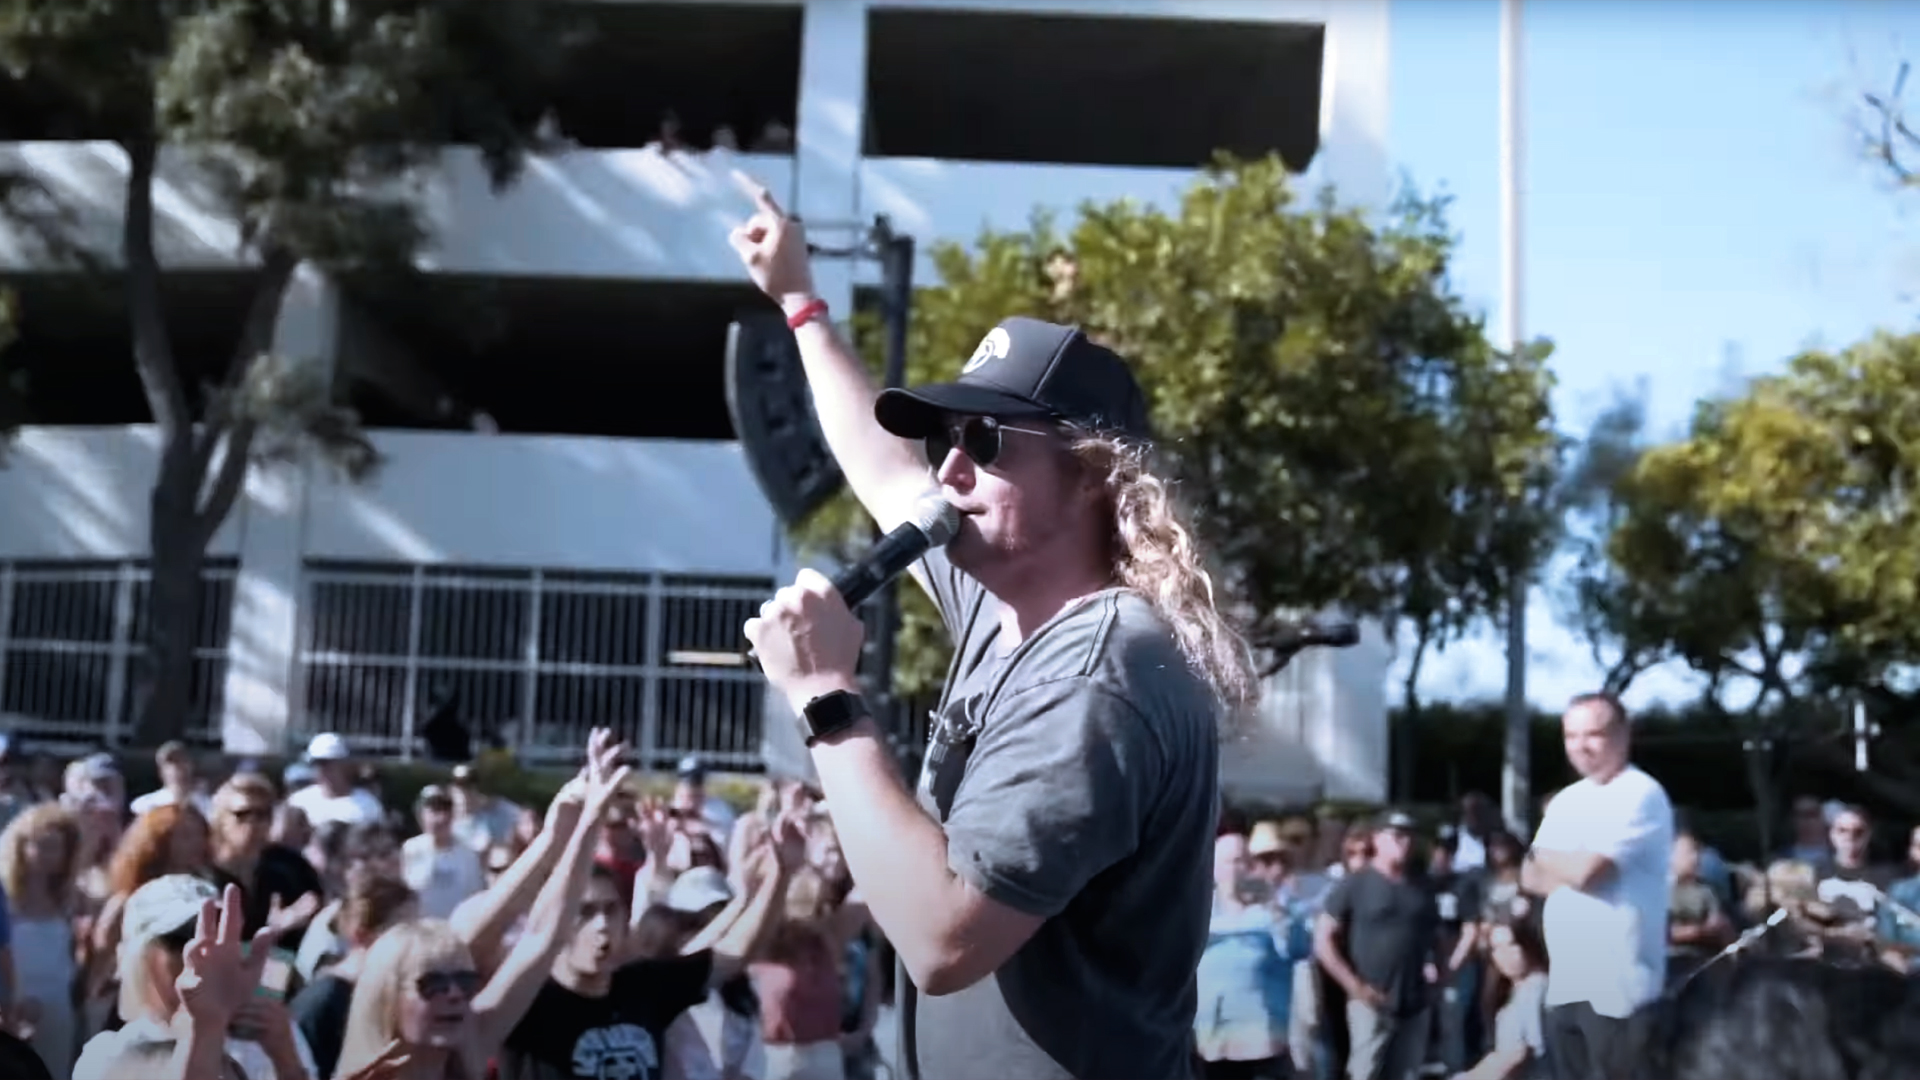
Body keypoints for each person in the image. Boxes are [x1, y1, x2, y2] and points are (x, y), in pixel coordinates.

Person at [731, 172, 1256, 1080]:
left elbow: (943, 940)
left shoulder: (1097, 673)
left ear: (1091, 475)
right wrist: (800, 301)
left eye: (987, 441)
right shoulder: (1009, 602)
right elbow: (884, 469)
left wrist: (825, 697)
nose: (950, 470)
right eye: (948, 440)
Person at [1522, 693, 1673, 1080]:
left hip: (1620, 992)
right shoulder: (1567, 800)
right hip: (1566, 983)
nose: (1581, 746)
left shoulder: (1640, 793)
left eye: (1594, 734)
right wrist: (1561, 862)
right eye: (1571, 736)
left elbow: (1585, 872)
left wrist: (1553, 859)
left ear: (1623, 735)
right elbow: (1529, 874)